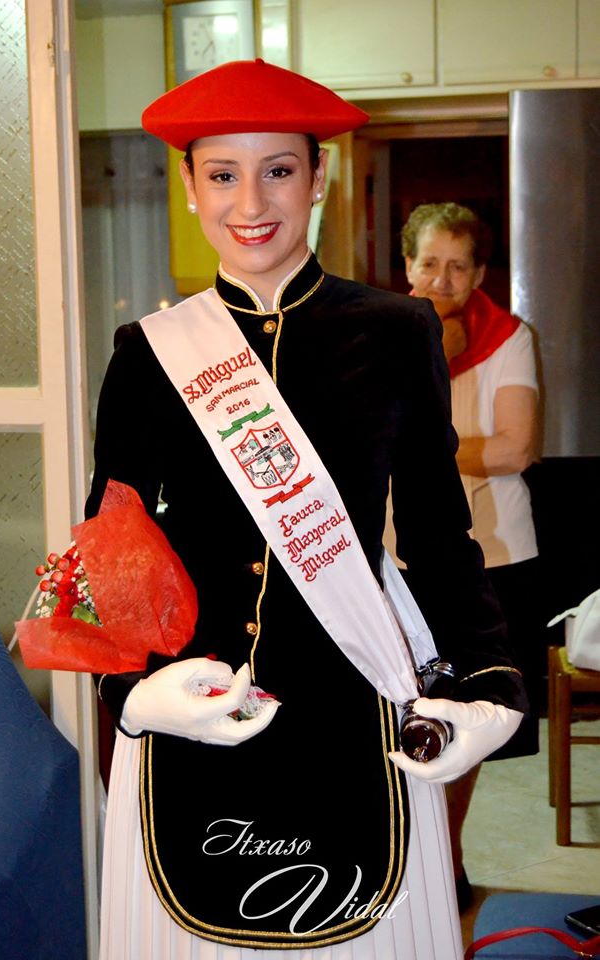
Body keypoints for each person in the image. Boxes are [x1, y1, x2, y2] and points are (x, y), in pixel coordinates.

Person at [86, 61, 527, 960]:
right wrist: (130, 692)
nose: (251, 202)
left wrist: (489, 683)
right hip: (194, 705)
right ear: (189, 185)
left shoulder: (399, 331)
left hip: (353, 704)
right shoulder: (150, 351)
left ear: (319, 178)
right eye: (223, 174)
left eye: (279, 170)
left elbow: (440, 533)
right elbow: (113, 544)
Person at [391, 201, 541, 910]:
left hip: (490, 554)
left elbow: (516, 448)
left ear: (480, 274)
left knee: (467, 716)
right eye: (429, 264)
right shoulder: (379, 334)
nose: (442, 280)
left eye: (458, 266)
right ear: (407, 266)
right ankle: (409, 860)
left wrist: (415, 452)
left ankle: (444, 860)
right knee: (400, 711)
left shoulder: (510, 337)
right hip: (393, 557)